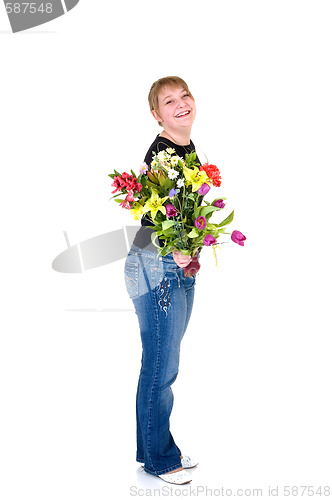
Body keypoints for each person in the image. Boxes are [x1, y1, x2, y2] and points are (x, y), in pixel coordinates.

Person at [124, 76, 200, 485]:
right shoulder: (162, 154)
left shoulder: (185, 148)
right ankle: (158, 458)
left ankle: (151, 448)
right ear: (157, 116)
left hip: (176, 267)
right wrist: (174, 248)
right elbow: (151, 211)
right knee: (160, 367)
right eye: (169, 101)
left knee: (161, 363)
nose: (180, 104)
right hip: (155, 265)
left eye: (184, 95)